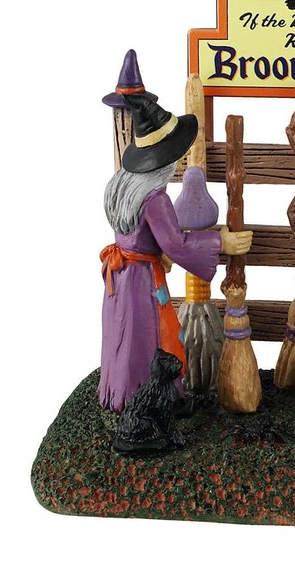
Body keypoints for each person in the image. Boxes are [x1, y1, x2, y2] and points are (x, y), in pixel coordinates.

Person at [99, 87, 251, 412]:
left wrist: (156, 251)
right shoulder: (155, 199)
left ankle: (122, 393)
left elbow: (138, 237)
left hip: (120, 278)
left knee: (123, 336)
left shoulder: (121, 186)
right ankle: (151, 400)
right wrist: (221, 242)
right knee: (149, 336)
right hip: (141, 281)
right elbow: (175, 243)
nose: (179, 160)